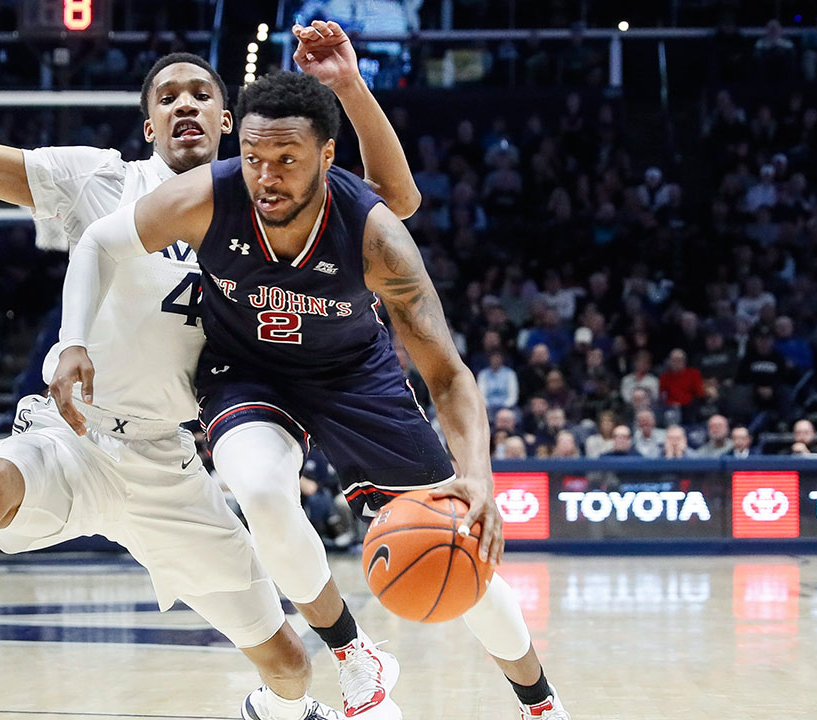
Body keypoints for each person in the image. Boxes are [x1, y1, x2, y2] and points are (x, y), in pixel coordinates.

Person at [0, 4, 357, 720]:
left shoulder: (267, 219)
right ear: (148, 128)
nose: (184, 105)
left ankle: (276, 708)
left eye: (201, 94)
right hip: (75, 435)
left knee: (293, 666)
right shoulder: (102, 182)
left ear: (228, 121)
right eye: (166, 97)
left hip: (170, 465)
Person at [53, 42, 567, 720]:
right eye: (256, 158)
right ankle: (356, 659)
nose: (266, 178)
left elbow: (446, 372)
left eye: (288, 161)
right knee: (262, 489)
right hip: (246, 371)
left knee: (457, 539)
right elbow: (97, 243)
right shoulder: (210, 196)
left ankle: (541, 706)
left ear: (328, 158)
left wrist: (479, 478)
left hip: (354, 374)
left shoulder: (373, 235)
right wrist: (72, 341)